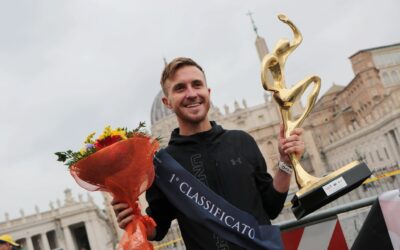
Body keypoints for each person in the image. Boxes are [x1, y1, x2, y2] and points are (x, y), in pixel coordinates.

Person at [112, 57, 305, 249]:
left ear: (208, 92)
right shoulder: (162, 165)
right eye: (180, 88)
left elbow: (272, 207)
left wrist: (286, 163)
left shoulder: (241, 141)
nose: (191, 93)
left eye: (197, 85)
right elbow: (159, 228)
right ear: (167, 102)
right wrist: (133, 219)